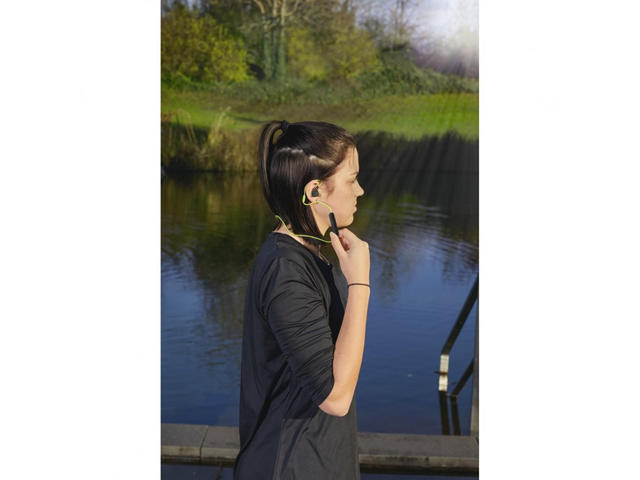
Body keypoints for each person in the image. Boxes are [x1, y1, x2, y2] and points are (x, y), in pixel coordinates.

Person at [233, 120, 370, 479]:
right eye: (351, 180)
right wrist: (360, 284)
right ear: (314, 191)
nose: (360, 190)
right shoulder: (286, 273)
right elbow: (335, 398)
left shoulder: (305, 255)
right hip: (289, 466)